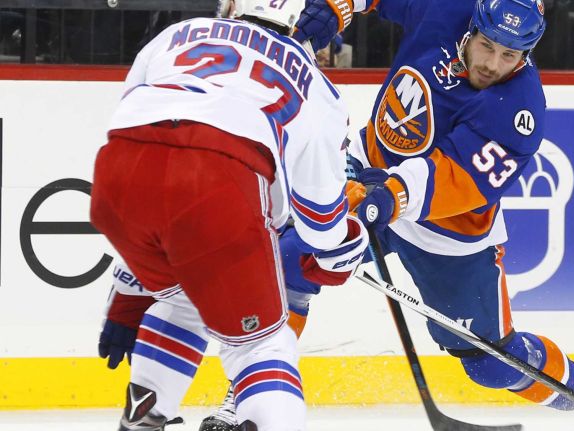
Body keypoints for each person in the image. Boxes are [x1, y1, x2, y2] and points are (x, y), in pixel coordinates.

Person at [309, 0, 574, 430]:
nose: (493, 64)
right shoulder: (447, 8)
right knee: (296, 260)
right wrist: (336, 6)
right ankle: (246, 399)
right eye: (487, 46)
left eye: (510, 55)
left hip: (446, 232)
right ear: (472, 28)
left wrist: (389, 196)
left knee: (490, 366)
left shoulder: (520, 111)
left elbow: (456, 178)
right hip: (366, 177)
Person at [88, 0, 370, 429]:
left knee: (185, 299)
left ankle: (144, 416)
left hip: (117, 177)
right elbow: (321, 224)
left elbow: (145, 139)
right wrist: (345, 247)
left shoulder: (177, 34)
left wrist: (130, 286)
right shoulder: (316, 87)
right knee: (263, 347)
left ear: (233, 4)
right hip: (215, 188)